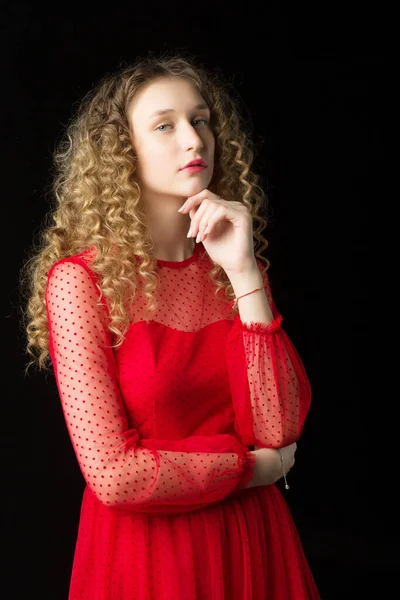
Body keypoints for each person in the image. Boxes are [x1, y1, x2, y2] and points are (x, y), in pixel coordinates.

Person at [20, 51, 320, 599]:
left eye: (200, 119)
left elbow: (278, 431)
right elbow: (113, 474)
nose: (194, 139)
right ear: (120, 153)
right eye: (165, 125)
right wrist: (248, 469)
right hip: (151, 557)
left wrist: (245, 270)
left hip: (255, 541)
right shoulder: (79, 281)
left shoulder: (233, 265)